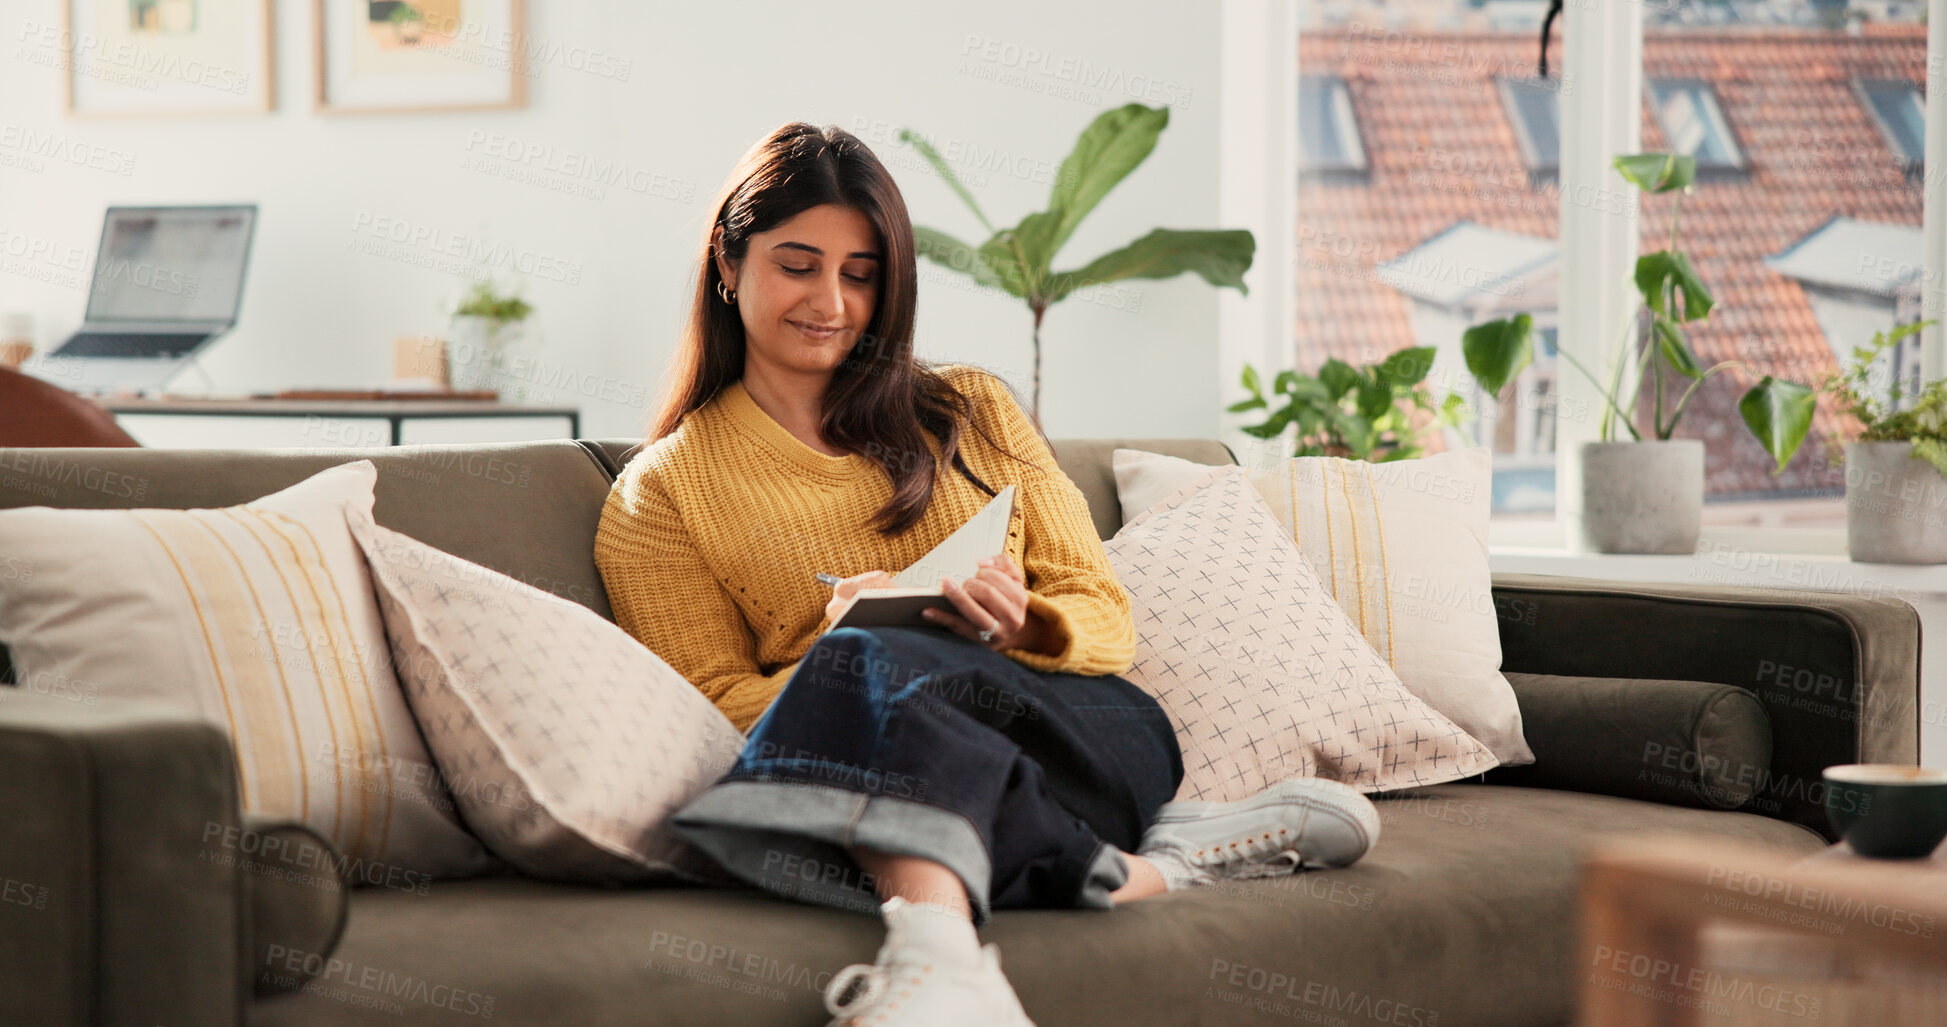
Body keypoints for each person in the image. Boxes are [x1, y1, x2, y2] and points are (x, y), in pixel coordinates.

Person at [593, 122, 1379, 1027]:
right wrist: (846, 649)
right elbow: (705, 704)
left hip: (1081, 737)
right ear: (728, 267)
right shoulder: (661, 492)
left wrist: (1025, 626)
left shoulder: (969, 409)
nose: (833, 302)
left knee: (866, 670)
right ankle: (1066, 901)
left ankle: (950, 943)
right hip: (877, 758)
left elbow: (1105, 614)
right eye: (798, 265)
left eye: (861, 273)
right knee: (862, 664)